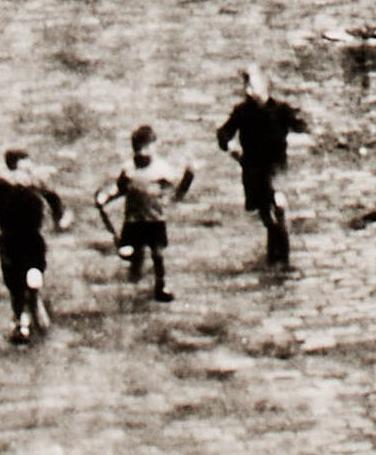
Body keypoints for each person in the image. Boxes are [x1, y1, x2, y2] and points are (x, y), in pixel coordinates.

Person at [215, 68, 309, 269]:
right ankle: (273, 248)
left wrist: (303, 127)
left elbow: (300, 125)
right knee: (264, 213)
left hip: (275, 167)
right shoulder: (241, 111)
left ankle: (284, 258)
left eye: (253, 86)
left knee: (279, 205)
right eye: (246, 87)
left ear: (266, 87)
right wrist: (229, 146)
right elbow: (224, 132)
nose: (249, 91)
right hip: (252, 168)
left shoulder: (281, 110)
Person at [0, 147, 68, 343]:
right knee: (16, 281)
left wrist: (59, 216)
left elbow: (53, 198)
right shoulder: (2, 186)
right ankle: (22, 320)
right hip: (11, 237)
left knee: (31, 273)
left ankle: (31, 302)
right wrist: (11, 179)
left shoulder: (33, 184)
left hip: (27, 237)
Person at [95, 123, 194, 300]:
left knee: (158, 253)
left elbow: (175, 190)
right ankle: (135, 267)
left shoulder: (162, 169)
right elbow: (120, 189)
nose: (143, 153)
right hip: (133, 219)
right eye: (139, 149)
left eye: (147, 148)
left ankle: (161, 286)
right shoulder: (128, 169)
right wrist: (105, 197)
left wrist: (187, 179)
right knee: (130, 251)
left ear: (154, 147)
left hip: (155, 219)